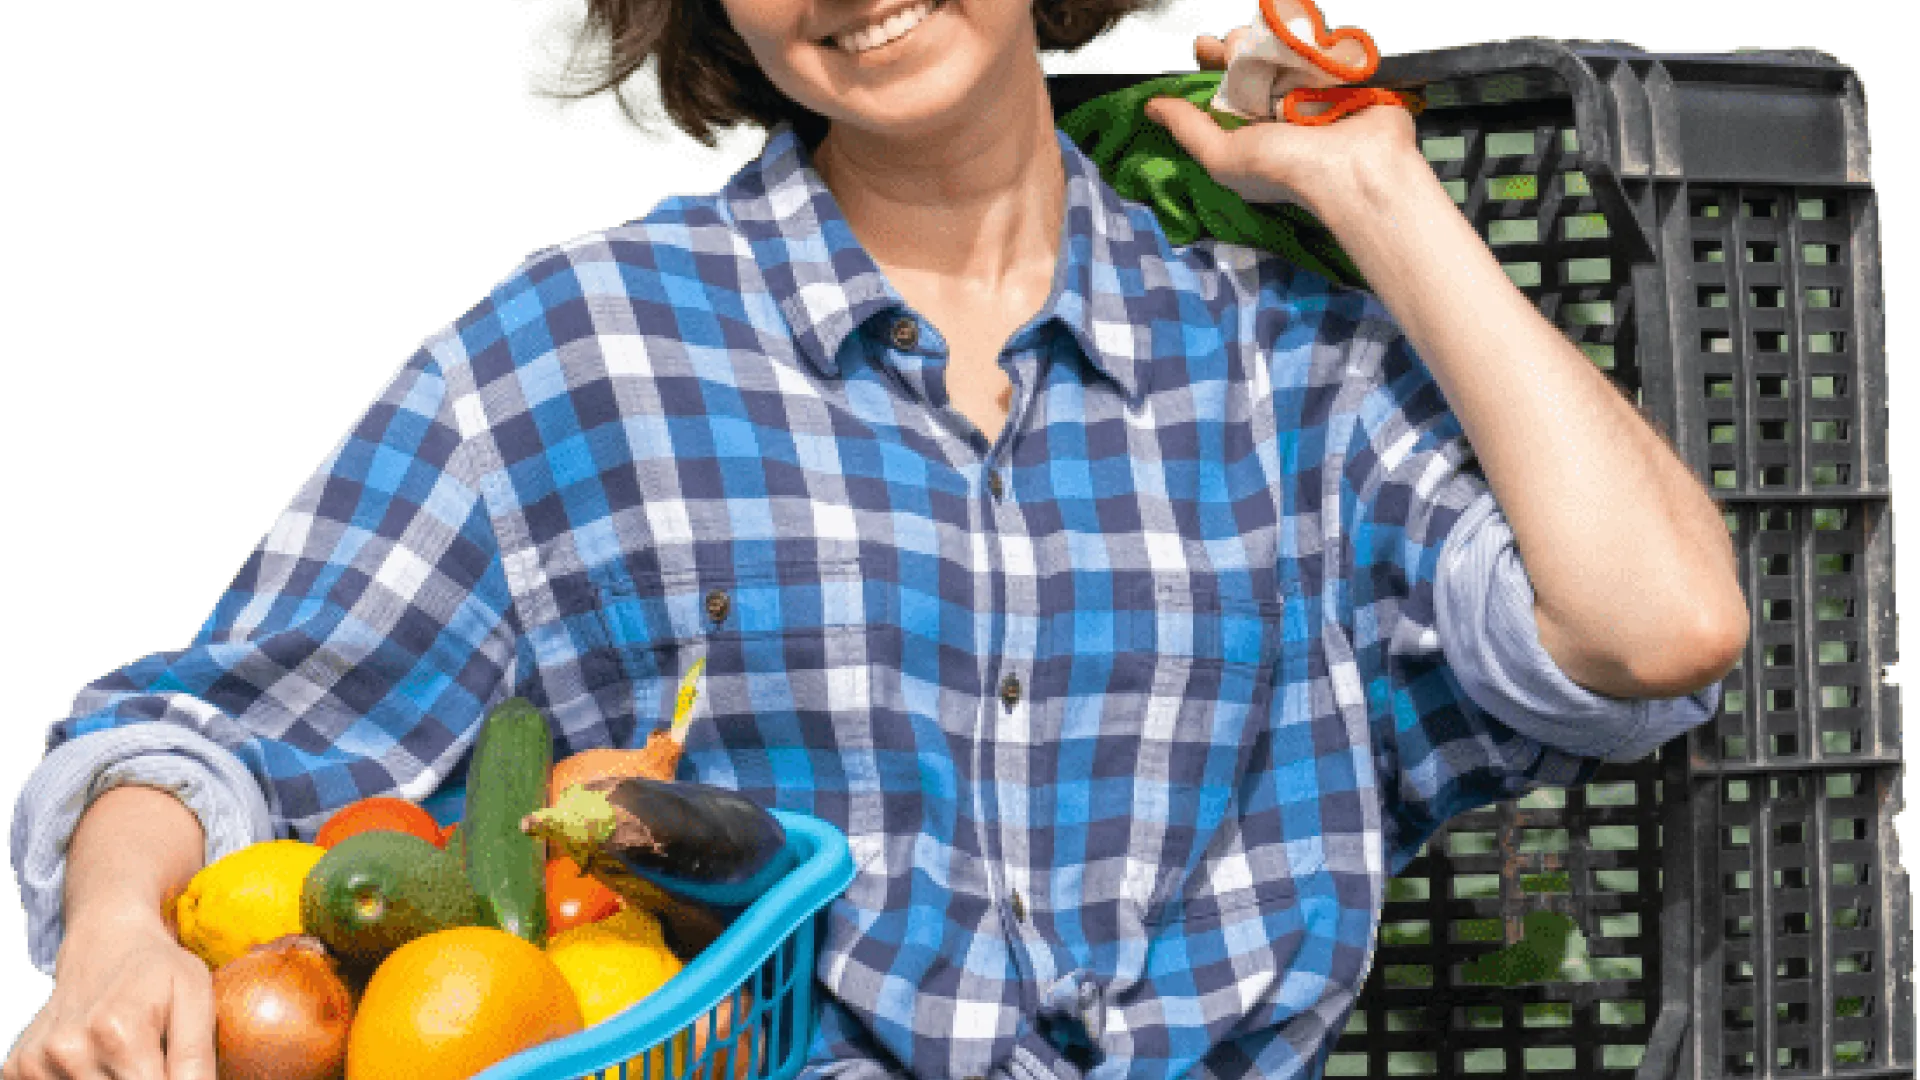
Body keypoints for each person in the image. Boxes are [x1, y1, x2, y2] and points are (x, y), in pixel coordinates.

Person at [5, 0, 1747, 1075]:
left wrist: (1380, 195)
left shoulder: (1283, 367)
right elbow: (227, 720)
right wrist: (113, 930)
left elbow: (1658, 626)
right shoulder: (579, 353)